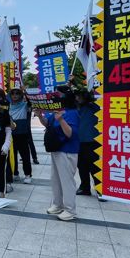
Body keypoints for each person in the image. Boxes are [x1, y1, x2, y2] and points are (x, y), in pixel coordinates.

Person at [40, 89, 80, 221]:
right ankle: (57, 204)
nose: (54, 97)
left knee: (67, 181)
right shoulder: (58, 111)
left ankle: (70, 210)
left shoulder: (72, 113)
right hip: (57, 149)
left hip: (67, 151)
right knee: (55, 179)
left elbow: (70, 133)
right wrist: (39, 115)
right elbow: (47, 122)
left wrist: (61, 120)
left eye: (57, 95)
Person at [76, 90, 101, 200]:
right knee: (82, 166)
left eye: (79, 96)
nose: (77, 98)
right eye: (76, 96)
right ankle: (85, 187)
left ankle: (100, 190)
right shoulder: (76, 107)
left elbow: (98, 109)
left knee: (95, 166)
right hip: (78, 141)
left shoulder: (93, 106)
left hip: (92, 141)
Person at [9, 87, 34, 184]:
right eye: (13, 94)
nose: (15, 95)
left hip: (22, 133)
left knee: (25, 155)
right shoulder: (8, 106)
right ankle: (15, 173)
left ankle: (28, 175)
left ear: (21, 95)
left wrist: (25, 91)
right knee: (12, 155)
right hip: (11, 134)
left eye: (17, 93)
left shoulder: (25, 105)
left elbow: (31, 102)